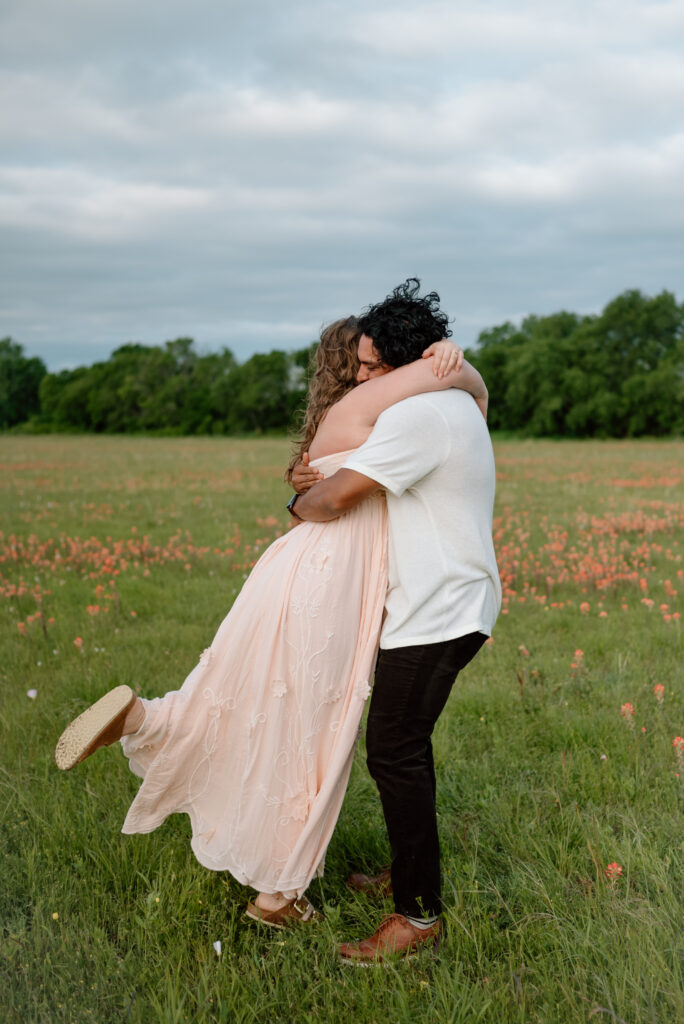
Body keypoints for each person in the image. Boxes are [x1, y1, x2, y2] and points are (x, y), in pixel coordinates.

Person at [55, 312, 488, 928]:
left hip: (294, 569)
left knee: (243, 696)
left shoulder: (355, 415)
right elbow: (461, 395)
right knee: (311, 734)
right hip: (336, 582)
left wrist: (449, 360)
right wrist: (453, 359)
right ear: (358, 367)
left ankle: (146, 718)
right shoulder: (383, 405)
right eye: (360, 365)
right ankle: (278, 894)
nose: (368, 374)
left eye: (375, 365)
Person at [290, 279, 501, 963]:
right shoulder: (449, 404)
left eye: (375, 367)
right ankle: (408, 868)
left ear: (411, 363)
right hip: (448, 601)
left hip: (437, 611)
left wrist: (300, 496)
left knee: (394, 751)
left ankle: (417, 914)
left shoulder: (417, 419)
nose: (363, 379)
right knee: (404, 747)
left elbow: (336, 500)